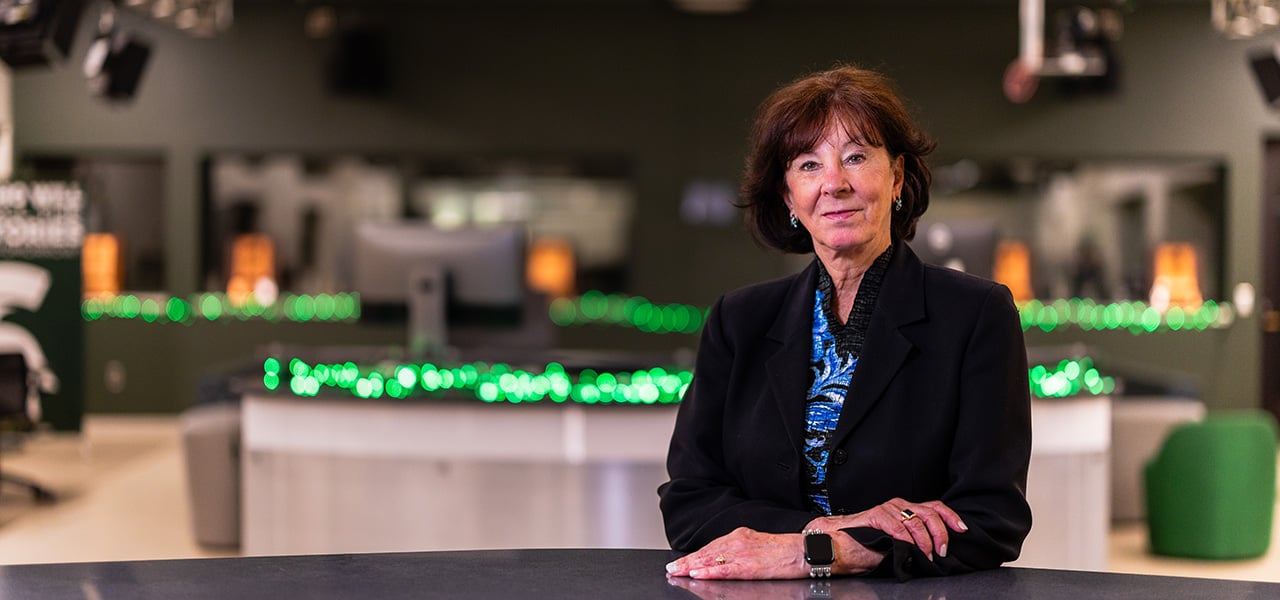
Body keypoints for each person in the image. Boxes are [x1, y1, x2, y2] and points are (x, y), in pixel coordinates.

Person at [659, 65, 1032, 581]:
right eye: (808, 165)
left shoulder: (975, 314)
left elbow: (994, 519)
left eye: (856, 157)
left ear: (897, 177)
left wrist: (829, 552)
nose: (834, 183)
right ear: (789, 196)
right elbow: (689, 502)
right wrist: (836, 529)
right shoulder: (738, 320)